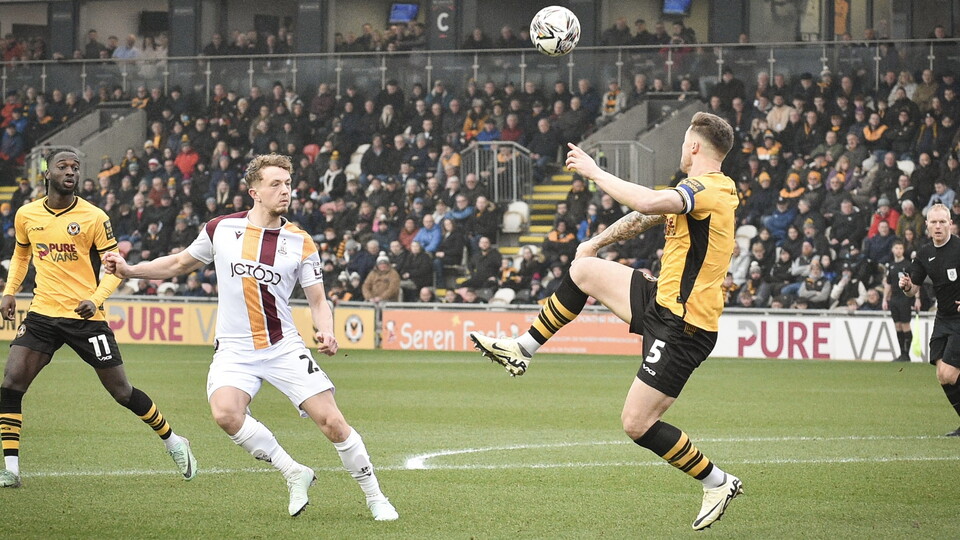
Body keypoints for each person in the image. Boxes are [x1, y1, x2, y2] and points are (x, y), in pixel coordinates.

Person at [469, 112, 742, 530]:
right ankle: (520, 349)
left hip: (685, 328)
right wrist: (594, 243)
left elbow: (648, 203)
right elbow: (644, 217)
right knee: (584, 270)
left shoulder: (713, 191)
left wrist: (595, 171)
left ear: (693, 146)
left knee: (636, 423)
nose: (680, 150)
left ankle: (717, 482)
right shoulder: (694, 191)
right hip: (661, 301)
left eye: (683, 142)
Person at [102, 154, 398, 519]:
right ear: (253, 191)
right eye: (275, 184)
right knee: (226, 413)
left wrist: (327, 330)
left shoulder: (300, 242)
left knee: (333, 422)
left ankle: (375, 497)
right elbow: (179, 263)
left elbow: (318, 300)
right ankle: (294, 472)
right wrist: (129, 269)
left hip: (283, 346)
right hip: (235, 349)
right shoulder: (220, 229)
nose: (284, 191)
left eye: (288, 184)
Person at [0, 150, 197, 489]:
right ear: (47, 173)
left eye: (75, 167)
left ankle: (174, 441)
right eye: (62, 167)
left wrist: (95, 299)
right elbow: (21, 255)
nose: (70, 172)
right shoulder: (26, 214)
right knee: (11, 383)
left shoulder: (93, 217)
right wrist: (10, 291)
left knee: (121, 392)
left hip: (85, 317)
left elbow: (114, 268)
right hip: (43, 314)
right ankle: (11, 469)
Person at [899, 203, 960, 437]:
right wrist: (906, 287)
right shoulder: (924, 253)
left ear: (950, 224)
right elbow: (913, 289)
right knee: (941, 374)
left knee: (949, 374)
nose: (938, 226)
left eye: (942, 222)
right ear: (926, 225)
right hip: (943, 318)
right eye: (933, 222)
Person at [884, 239, 919, 362]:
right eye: (896, 248)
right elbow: (888, 284)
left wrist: (917, 299)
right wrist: (884, 299)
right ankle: (902, 353)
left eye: (901, 248)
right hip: (894, 299)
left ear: (903, 250)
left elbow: (916, 281)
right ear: (893, 250)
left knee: (905, 325)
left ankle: (906, 354)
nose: (898, 250)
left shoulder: (908, 265)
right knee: (897, 326)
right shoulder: (891, 265)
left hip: (905, 298)